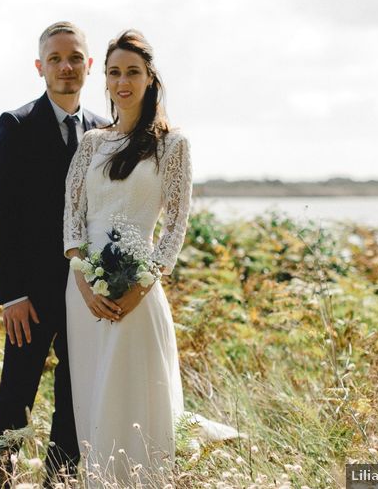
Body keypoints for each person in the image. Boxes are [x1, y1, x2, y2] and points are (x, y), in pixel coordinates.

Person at [63, 29, 234, 485]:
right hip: (84, 291)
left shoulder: (173, 144)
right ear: (106, 79)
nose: (123, 81)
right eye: (115, 72)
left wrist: (144, 283)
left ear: (149, 77)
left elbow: (177, 222)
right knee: (93, 392)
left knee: (135, 392)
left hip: (139, 286)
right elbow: (72, 218)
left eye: (133, 72)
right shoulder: (91, 144)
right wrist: (82, 283)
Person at [0, 21, 110, 487]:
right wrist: (10, 294)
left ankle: (62, 480)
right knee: (16, 395)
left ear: (89, 65)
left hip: (84, 292)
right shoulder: (15, 125)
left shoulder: (104, 130)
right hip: (29, 297)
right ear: (40, 67)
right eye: (55, 59)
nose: (66, 67)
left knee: (76, 397)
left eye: (75, 57)